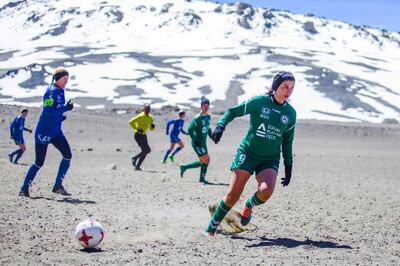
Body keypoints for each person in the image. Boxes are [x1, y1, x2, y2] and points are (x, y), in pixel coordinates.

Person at [204, 71, 297, 236]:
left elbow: (287, 142)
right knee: (232, 197)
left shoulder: (290, 113)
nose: (288, 91)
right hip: (248, 154)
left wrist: (288, 166)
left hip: (269, 159)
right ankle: (210, 229)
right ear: (275, 87)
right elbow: (232, 112)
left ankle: (249, 204)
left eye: (291, 87)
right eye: (285, 86)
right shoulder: (259, 102)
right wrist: (220, 126)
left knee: (266, 192)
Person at [19, 67, 74, 197]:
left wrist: (61, 117)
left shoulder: (61, 91)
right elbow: (48, 111)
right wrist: (66, 108)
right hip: (44, 132)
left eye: (68, 78)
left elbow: (56, 110)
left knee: (67, 155)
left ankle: (57, 186)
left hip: (56, 132)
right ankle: (24, 189)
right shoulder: (51, 91)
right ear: (57, 78)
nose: (66, 81)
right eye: (64, 78)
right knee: (39, 162)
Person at [179, 96, 212, 183]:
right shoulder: (197, 118)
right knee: (206, 160)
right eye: (205, 105)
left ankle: (185, 167)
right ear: (201, 106)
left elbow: (208, 129)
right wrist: (195, 140)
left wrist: (213, 137)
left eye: (208, 105)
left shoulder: (208, 117)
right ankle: (202, 179)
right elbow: (190, 129)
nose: (206, 106)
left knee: (203, 161)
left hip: (203, 143)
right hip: (197, 143)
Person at [129, 104, 155, 171]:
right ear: (144, 109)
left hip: (144, 136)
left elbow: (151, 129)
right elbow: (131, 122)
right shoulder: (140, 116)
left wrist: (152, 127)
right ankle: (135, 158)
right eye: (146, 108)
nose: (148, 110)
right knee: (147, 150)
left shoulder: (150, 118)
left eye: (149, 109)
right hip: (138, 135)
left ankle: (137, 166)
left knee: (146, 151)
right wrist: (137, 129)